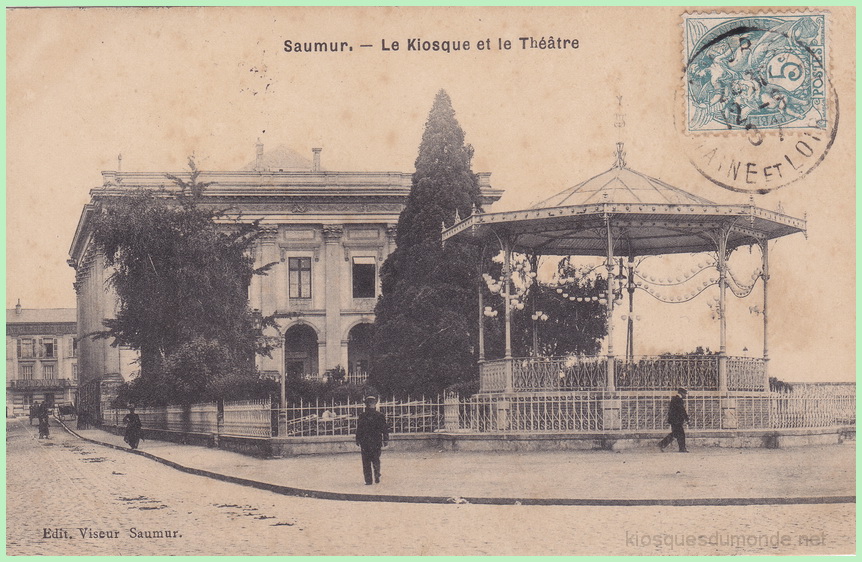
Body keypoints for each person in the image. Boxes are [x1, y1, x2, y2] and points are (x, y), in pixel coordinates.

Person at [355, 396, 389, 485]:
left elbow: (384, 428)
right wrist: (358, 439)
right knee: (370, 460)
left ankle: (373, 477)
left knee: (371, 460)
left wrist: (386, 439)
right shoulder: (364, 416)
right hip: (370, 441)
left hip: (371, 441)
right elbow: (359, 429)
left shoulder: (377, 416)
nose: (370, 404)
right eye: (369, 403)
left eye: (371, 403)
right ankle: (372, 477)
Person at [659, 387, 689, 453]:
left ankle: (662, 444)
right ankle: (682, 448)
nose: (685, 396)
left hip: (674, 420)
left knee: (675, 434)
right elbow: (682, 410)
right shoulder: (678, 399)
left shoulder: (675, 399)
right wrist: (686, 419)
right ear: (681, 393)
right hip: (676, 420)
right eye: (685, 394)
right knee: (680, 434)